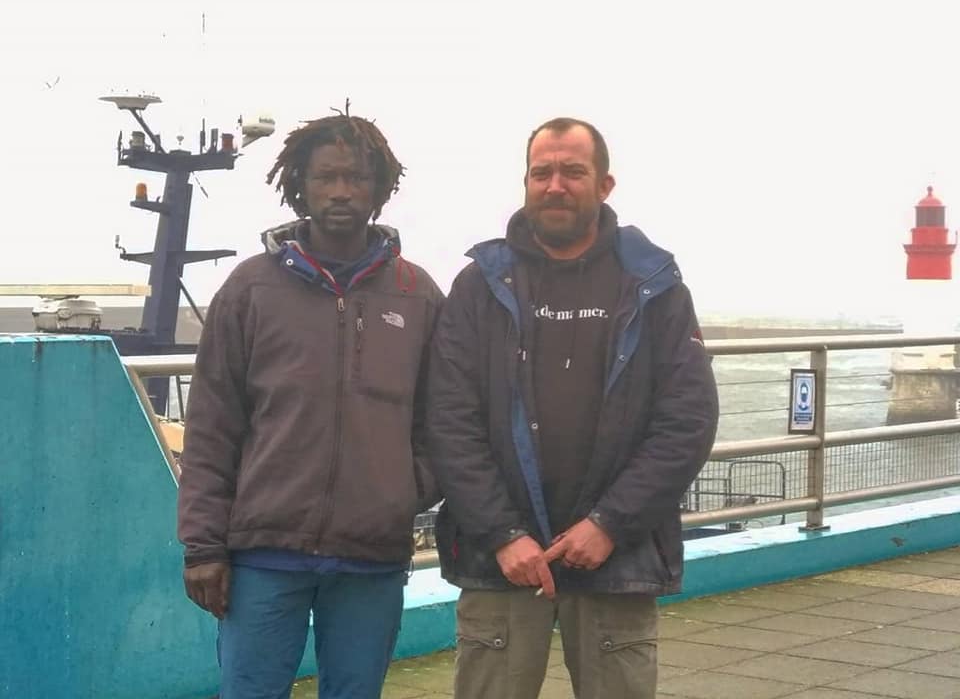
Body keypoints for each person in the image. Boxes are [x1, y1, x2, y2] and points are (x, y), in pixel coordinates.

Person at [427, 117, 719, 699]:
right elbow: (448, 418)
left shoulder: (655, 285)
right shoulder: (478, 286)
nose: (555, 185)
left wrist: (610, 523)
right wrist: (502, 533)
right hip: (501, 561)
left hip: (617, 558)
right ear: (526, 182)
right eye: (542, 172)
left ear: (605, 185)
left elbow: (687, 419)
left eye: (572, 171)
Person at [176, 107, 443, 699]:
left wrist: (405, 487)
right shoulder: (250, 289)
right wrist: (202, 546)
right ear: (299, 184)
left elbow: (443, 419)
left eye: (356, 177)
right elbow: (212, 428)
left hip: (371, 558)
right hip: (263, 556)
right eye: (326, 177)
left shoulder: (418, 294)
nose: (342, 191)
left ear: (381, 189)